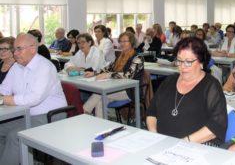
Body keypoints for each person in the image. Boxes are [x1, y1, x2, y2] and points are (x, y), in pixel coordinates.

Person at [0, 33, 67, 165]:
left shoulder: (45, 67)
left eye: (19, 49)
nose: (15, 53)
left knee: (15, 135)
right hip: (25, 114)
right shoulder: (16, 67)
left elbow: (33, 99)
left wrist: (3, 100)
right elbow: (4, 89)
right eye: (14, 49)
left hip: (50, 116)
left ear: (32, 49)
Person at [146, 37, 227, 145]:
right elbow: (152, 112)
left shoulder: (211, 86)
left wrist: (183, 143)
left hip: (195, 145)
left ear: (201, 62)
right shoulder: (169, 81)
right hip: (162, 143)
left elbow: (217, 125)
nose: (182, 66)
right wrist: (153, 133)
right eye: (179, 61)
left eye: (188, 62)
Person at [83, 32, 144, 117]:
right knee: (100, 102)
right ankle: (101, 127)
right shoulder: (120, 57)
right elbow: (108, 68)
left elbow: (127, 76)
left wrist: (108, 75)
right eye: (120, 41)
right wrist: (94, 72)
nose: (122, 43)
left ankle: (84, 112)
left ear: (131, 42)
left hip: (130, 91)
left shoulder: (138, 58)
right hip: (117, 88)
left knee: (99, 93)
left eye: (125, 41)